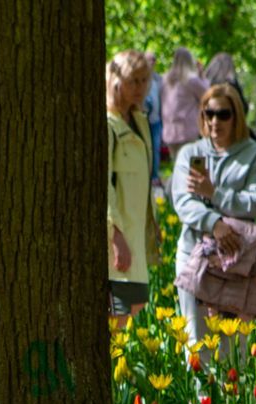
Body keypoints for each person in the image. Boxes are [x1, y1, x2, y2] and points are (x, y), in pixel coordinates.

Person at [170, 82, 256, 351]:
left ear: (236, 115)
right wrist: (214, 224)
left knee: (232, 347)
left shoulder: (253, 155)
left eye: (223, 114)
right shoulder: (191, 154)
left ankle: (230, 394)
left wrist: (215, 193)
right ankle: (200, 395)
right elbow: (182, 201)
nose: (215, 121)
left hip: (235, 262)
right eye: (208, 113)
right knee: (197, 342)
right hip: (195, 256)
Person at [105, 51, 158, 324]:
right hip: (118, 239)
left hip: (136, 234)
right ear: (116, 81)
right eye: (133, 81)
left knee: (132, 307)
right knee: (117, 316)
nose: (140, 88)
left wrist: (153, 222)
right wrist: (116, 238)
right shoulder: (108, 124)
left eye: (144, 81)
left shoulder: (140, 121)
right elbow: (105, 188)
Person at [162, 49, 205, 161]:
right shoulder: (192, 80)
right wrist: (202, 77)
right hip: (188, 130)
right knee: (190, 166)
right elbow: (208, 95)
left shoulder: (166, 80)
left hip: (170, 131)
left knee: (177, 165)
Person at [142, 52, 163, 186]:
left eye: (154, 60)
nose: (152, 62)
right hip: (143, 120)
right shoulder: (141, 78)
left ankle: (154, 176)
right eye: (149, 59)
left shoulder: (158, 79)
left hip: (156, 121)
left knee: (155, 148)